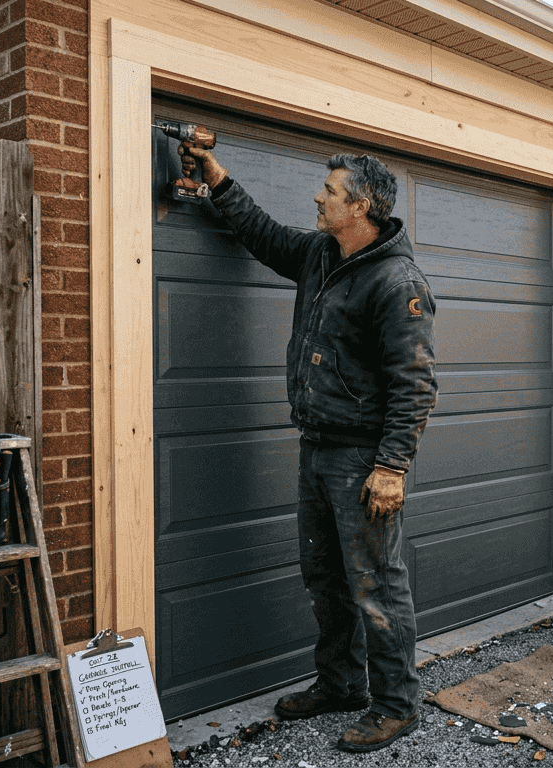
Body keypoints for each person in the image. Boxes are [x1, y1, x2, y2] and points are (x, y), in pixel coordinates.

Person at [181, 140, 437, 753]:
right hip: (317, 448)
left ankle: (398, 704)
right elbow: (265, 237)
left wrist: (392, 466)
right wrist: (218, 180)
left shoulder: (396, 281)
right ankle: (342, 684)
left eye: (330, 192)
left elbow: (415, 383)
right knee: (324, 576)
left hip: (363, 459)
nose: (318, 198)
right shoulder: (324, 254)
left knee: (376, 582)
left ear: (363, 206)